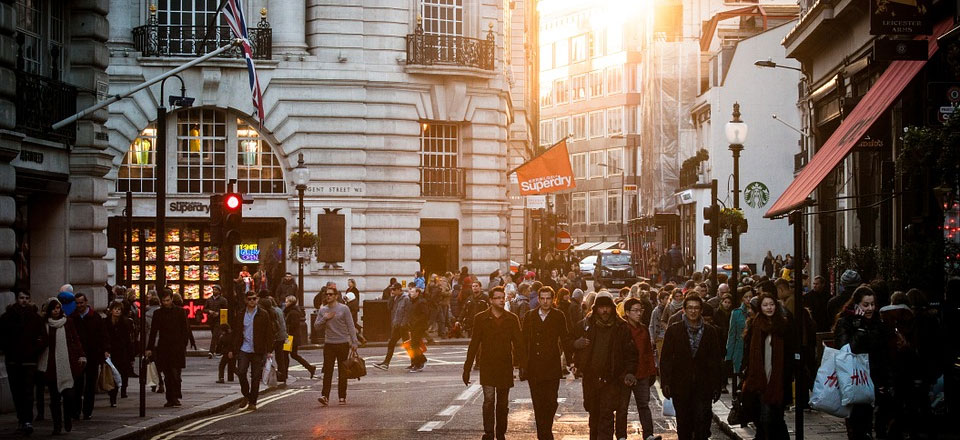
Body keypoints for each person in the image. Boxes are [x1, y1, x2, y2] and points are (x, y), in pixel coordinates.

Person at [572, 291, 638, 439]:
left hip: (612, 379)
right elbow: (569, 341)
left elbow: (631, 354)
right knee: (594, 415)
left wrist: (629, 372)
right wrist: (576, 345)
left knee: (606, 416)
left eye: (607, 307)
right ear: (596, 308)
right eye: (601, 307)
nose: (605, 311)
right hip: (591, 378)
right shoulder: (585, 325)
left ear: (612, 308)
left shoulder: (622, 327)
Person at [660, 293, 724, 440]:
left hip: (703, 385)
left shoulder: (710, 331)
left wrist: (716, 385)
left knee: (702, 423)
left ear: (701, 310)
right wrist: (666, 382)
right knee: (684, 424)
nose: (693, 311)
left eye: (696, 308)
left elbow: (715, 360)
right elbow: (666, 358)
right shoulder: (674, 330)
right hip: (680, 385)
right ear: (684, 310)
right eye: (690, 308)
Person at [463, 286, 524, 440]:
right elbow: (474, 344)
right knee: (489, 400)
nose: (501, 300)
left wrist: (523, 366)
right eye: (497, 298)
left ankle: (501, 432)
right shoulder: (481, 318)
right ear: (490, 300)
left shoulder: (512, 318)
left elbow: (519, 344)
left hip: (504, 365)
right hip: (488, 365)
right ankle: (489, 432)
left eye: (502, 297)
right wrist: (467, 368)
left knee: (503, 403)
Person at [833, 285, 890, 440]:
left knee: (874, 421)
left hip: (875, 377)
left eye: (872, 304)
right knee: (858, 423)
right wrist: (860, 328)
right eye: (866, 304)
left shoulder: (879, 323)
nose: (870, 308)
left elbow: (884, 352)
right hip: (855, 379)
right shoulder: (846, 322)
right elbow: (847, 349)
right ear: (856, 304)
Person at [741, 292, 795, 439]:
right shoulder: (755, 325)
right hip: (758, 379)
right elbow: (747, 352)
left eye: (771, 304)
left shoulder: (783, 325)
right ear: (760, 307)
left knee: (774, 418)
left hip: (778, 379)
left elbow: (790, 352)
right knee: (762, 417)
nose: (769, 308)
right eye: (765, 305)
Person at [520, 286, 571, 440]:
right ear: (538, 299)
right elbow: (523, 341)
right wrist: (522, 364)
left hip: (552, 365)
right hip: (534, 366)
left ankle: (546, 429)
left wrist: (571, 361)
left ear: (553, 299)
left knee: (551, 401)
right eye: (542, 298)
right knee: (538, 402)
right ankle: (544, 435)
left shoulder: (558, 316)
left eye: (548, 298)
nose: (545, 301)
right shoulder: (530, 316)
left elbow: (565, 339)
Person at [0, 291, 46, 435]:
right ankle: (21, 418)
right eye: (21, 298)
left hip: (29, 361)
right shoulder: (7, 317)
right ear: (17, 299)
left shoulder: (35, 318)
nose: (24, 301)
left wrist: (34, 350)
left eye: (26, 298)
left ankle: (27, 420)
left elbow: (43, 338)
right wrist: (7, 348)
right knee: (16, 391)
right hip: (13, 360)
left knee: (27, 391)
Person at [38, 298, 84, 435]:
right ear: (49, 311)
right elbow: (41, 341)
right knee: (54, 399)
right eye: (53, 308)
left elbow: (75, 339)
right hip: (50, 364)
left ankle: (67, 417)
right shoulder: (45, 324)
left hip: (66, 363)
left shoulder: (67, 322)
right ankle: (57, 425)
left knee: (69, 395)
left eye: (58, 308)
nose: (56, 311)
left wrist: (80, 355)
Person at [620, 298, 661, 440]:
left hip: (642, 374)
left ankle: (648, 434)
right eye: (635, 311)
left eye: (640, 310)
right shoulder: (621, 329)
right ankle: (621, 436)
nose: (639, 314)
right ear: (627, 312)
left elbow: (648, 352)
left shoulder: (643, 329)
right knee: (622, 408)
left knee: (644, 405)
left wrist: (652, 371)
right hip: (625, 374)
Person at [229, 290, 275, 411]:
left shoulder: (263, 314)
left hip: (258, 350)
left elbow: (269, 333)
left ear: (257, 299)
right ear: (246, 300)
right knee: (241, 372)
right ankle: (246, 395)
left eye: (254, 299)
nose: (252, 301)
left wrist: (269, 350)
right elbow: (235, 333)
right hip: (244, 348)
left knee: (255, 377)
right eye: (249, 299)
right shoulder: (240, 314)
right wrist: (232, 349)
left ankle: (252, 402)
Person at [314, 286, 360, 406]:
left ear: (336, 296)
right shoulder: (323, 310)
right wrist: (325, 318)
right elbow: (316, 326)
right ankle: (325, 396)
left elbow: (351, 326)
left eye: (330, 294)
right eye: (326, 295)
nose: (328, 296)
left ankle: (342, 396)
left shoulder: (344, 309)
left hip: (343, 343)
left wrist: (354, 342)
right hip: (329, 344)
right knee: (328, 371)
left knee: (342, 372)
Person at [69, 292, 110, 420]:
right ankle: (75, 411)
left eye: (81, 302)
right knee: (77, 385)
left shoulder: (95, 317)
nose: (79, 305)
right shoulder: (73, 318)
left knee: (90, 385)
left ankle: (87, 411)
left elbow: (103, 335)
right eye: (77, 303)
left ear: (86, 302)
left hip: (93, 355)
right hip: (78, 356)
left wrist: (105, 350)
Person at [146, 288, 189, 407]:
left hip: (177, 347)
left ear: (172, 299)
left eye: (168, 300)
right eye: (164, 301)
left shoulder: (180, 312)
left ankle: (175, 396)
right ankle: (170, 398)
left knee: (175, 374)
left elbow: (185, 330)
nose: (166, 303)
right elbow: (153, 332)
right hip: (164, 348)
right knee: (167, 375)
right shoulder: (158, 314)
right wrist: (149, 348)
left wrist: (183, 345)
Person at [105, 301, 135, 406]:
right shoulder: (106, 322)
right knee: (113, 375)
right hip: (111, 352)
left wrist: (131, 357)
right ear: (111, 310)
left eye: (119, 309)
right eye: (115, 309)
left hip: (123, 352)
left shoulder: (125, 322)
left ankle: (123, 390)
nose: (117, 311)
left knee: (123, 373)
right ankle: (113, 397)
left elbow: (129, 340)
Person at [374, 283, 409, 370]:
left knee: (407, 345)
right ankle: (386, 363)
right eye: (391, 290)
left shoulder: (406, 298)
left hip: (402, 326)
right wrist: (391, 297)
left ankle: (417, 361)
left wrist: (403, 324)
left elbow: (407, 313)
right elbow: (389, 307)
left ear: (399, 289)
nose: (392, 291)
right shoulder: (395, 298)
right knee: (393, 344)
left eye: (393, 290)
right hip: (396, 325)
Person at [726, 288, 751, 395]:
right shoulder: (736, 313)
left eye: (750, 296)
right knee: (738, 377)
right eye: (746, 297)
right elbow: (732, 335)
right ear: (742, 299)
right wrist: (729, 356)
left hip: (751, 348)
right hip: (739, 349)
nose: (749, 299)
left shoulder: (757, 312)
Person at [284, 295, 316, 378]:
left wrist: (287, 331)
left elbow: (292, 326)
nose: (285, 303)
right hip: (291, 337)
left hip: (290, 337)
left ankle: (285, 373)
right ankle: (310, 368)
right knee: (292, 355)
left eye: (287, 301)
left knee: (287, 355)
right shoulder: (291, 311)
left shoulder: (293, 312)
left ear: (291, 302)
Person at [261, 297, 288, 384]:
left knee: (266, 355)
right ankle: (282, 375)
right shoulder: (279, 310)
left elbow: (275, 325)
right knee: (280, 357)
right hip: (282, 336)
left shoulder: (272, 312)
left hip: (276, 337)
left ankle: (267, 374)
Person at [408, 286, 430, 371]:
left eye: (413, 292)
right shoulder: (413, 302)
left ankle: (419, 363)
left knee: (415, 345)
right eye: (410, 292)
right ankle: (420, 361)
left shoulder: (421, 302)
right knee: (414, 345)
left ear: (417, 293)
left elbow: (425, 315)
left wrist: (416, 322)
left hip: (419, 327)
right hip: (413, 326)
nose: (411, 293)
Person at [205, 285, 229, 358]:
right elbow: (204, 309)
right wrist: (209, 311)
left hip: (219, 320)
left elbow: (226, 310)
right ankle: (220, 350)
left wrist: (218, 313)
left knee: (215, 335)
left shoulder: (223, 300)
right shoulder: (209, 300)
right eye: (214, 290)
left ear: (219, 291)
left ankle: (211, 351)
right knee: (216, 336)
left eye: (216, 290)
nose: (214, 291)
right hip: (211, 320)